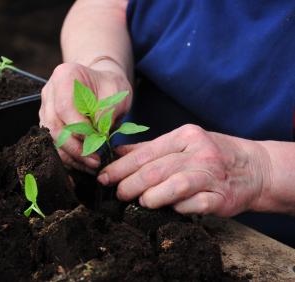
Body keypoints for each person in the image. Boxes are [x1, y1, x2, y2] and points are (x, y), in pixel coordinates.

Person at [39, 0, 295, 245]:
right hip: (133, 193)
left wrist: (262, 168)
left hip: (263, 232)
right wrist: (103, 65)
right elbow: (105, 5)